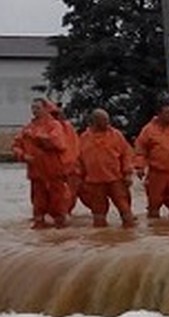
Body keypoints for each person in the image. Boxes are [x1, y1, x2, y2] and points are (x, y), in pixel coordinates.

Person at [11, 96, 72, 228]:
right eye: (33, 108)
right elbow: (15, 146)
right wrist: (23, 156)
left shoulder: (54, 125)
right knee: (38, 206)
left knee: (59, 206)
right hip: (36, 174)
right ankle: (40, 238)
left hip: (54, 172)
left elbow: (58, 143)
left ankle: (62, 237)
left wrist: (36, 137)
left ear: (46, 109)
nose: (34, 111)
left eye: (37, 108)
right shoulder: (28, 127)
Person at [78, 109, 136, 227]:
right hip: (94, 182)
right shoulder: (84, 138)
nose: (107, 122)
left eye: (107, 119)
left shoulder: (116, 135)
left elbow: (127, 154)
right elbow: (78, 160)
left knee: (125, 209)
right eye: (104, 120)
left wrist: (128, 173)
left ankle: (130, 236)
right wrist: (80, 179)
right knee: (98, 214)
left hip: (115, 179)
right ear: (94, 122)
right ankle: (101, 241)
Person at [133, 101, 169, 219]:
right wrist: (140, 167)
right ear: (159, 114)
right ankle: (155, 232)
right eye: (167, 113)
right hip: (157, 174)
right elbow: (140, 151)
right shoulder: (148, 130)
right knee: (154, 206)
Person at [50, 102, 83, 213]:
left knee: (70, 199)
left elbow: (77, 148)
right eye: (54, 114)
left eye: (58, 114)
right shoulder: (42, 130)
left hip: (71, 170)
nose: (58, 116)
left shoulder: (68, 128)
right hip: (53, 172)